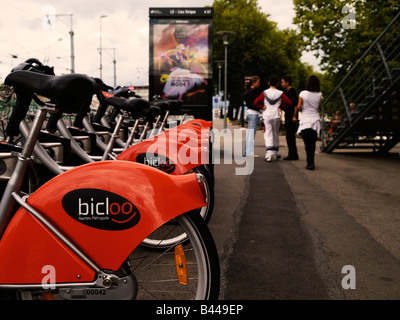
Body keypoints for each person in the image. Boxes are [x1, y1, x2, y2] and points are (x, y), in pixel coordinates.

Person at [254, 75, 291, 162]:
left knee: (268, 133)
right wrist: (280, 106)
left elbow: (255, 102)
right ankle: (275, 151)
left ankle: (269, 153)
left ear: (268, 83)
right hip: (277, 115)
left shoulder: (265, 93)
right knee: (275, 133)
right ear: (278, 84)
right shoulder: (280, 93)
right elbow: (289, 102)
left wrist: (262, 106)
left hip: (267, 115)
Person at [293, 75, 322, 170]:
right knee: (312, 144)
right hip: (315, 120)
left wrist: (296, 112)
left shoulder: (303, 93)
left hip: (305, 120)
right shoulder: (319, 94)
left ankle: (309, 163)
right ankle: (311, 162)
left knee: (307, 143)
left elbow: (299, 106)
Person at [243, 76, 262, 157]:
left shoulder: (247, 92)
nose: (259, 84)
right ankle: (249, 153)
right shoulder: (254, 92)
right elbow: (255, 103)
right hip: (254, 113)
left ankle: (246, 152)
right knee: (251, 134)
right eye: (258, 82)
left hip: (249, 112)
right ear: (254, 82)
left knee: (249, 134)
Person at [281, 76, 299, 160]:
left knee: (290, 135)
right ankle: (292, 153)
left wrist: (294, 116)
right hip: (289, 115)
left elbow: (295, 105)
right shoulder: (289, 92)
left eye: (283, 82)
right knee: (289, 135)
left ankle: (293, 155)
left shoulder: (292, 92)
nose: (282, 84)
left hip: (291, 116)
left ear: (287, 82)